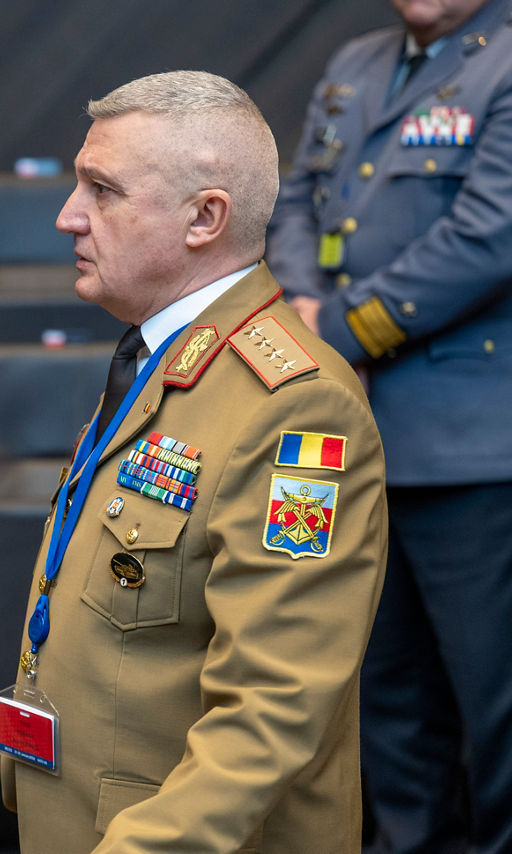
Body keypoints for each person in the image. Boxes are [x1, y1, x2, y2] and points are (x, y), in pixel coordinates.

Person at [0, 71, 388, 852]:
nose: (68, 216)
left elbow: (270, 712)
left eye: (101, 191)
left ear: (204, 218)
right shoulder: (164, 359)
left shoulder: (294, 408)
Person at [266, 1, 512, 850]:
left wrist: (335, 330)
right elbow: (296, 199)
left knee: (494, 710)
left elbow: (490, 235)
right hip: (353, 447)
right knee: (387, 704)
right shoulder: (356, 62)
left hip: (471, 450)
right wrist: (300, 306)